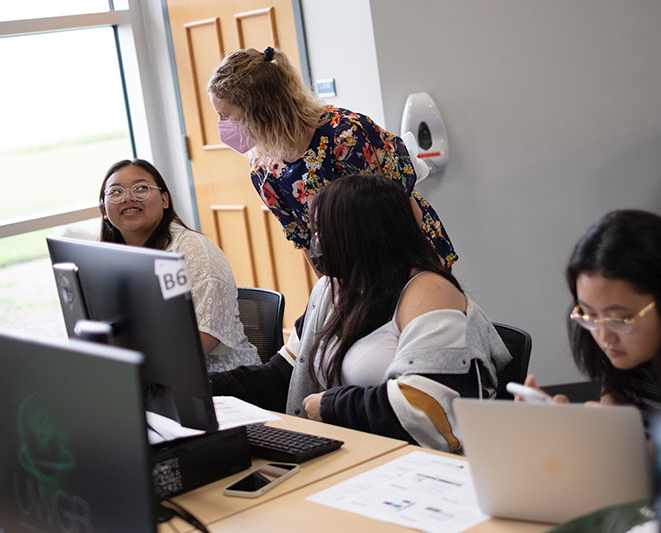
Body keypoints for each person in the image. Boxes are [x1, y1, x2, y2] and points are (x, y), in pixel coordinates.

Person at [210, 174, 510, 451]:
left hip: (424, 468)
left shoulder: (430, 293)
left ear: (358, 235)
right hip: (359, 452)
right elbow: (282, 376)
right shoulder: (333, 290)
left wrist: (332, 406)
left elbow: (430, 408)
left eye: (320, 232)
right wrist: (205, 387)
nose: (314, 245)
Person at [206, 46, 458, 270]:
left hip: (408, 253)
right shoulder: (264, 172)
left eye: (225, 115)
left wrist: (423, 274)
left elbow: (402, 201)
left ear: (260, 110)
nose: (221, 126)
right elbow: (305, 242)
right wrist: (334, 297)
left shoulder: (345, 134)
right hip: (355, 274)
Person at [519, 210, 661, 424]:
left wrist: (614, 440)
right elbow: (622, 428)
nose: (604, 337)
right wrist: (571, 426)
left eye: (621, 320)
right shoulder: (620, 349)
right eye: (588, 314)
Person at [99, 158, 259, 372]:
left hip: (222, 382)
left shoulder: (195, 253)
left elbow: (200, 341)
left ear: (165, 200)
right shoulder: (108, 258)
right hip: (153, 378)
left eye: (141, 188)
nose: (128, 197)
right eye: (116, 192)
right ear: (103, 209)